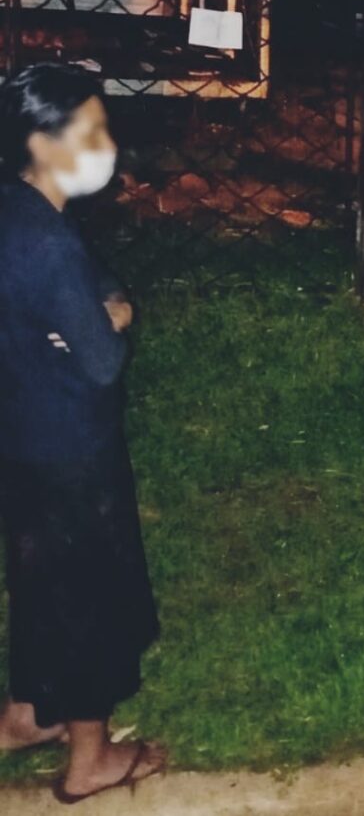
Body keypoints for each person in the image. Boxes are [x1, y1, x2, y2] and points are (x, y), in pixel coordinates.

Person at [0, 64, 165, 802]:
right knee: (88, 597)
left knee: (42, 583)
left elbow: (93, 282)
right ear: (42, 142)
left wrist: (96, 304)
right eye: (91, 131)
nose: (108, 144)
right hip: (73, 448)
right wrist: (114, 317)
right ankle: (90, 759)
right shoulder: (50, 244)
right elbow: (102, 359)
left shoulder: (18, 209)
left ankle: (28, 715)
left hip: (20, 435)